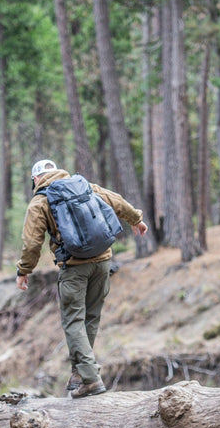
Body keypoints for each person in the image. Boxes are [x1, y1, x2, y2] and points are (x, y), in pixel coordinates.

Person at [16, 159, 148, 398]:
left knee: (73, 321)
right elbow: (116, 200)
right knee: (91, 318)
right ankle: (79, 374)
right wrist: (136, 219)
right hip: (103, 261)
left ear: (35, 179)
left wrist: (24, 270)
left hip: (74, 267)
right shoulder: (83, 185)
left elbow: (32, 242)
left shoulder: (40, 201)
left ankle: (91, 378)